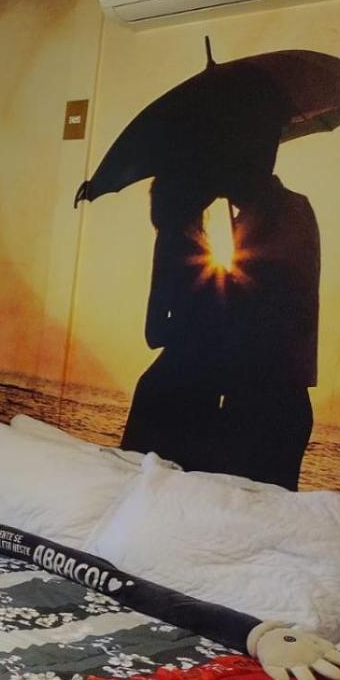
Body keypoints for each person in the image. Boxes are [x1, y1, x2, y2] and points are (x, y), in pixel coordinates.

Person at [210, 126, 320, 489]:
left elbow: (277, 302)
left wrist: (232, 284)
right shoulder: (280, 212)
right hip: (266, 396)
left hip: (267, 399)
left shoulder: (284, 214)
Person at [120, 174, 226, 470]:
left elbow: (155, 332)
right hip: (192, 388)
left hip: (177, 388)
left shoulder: (176, 242)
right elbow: (154, 333)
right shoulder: (184, 242)